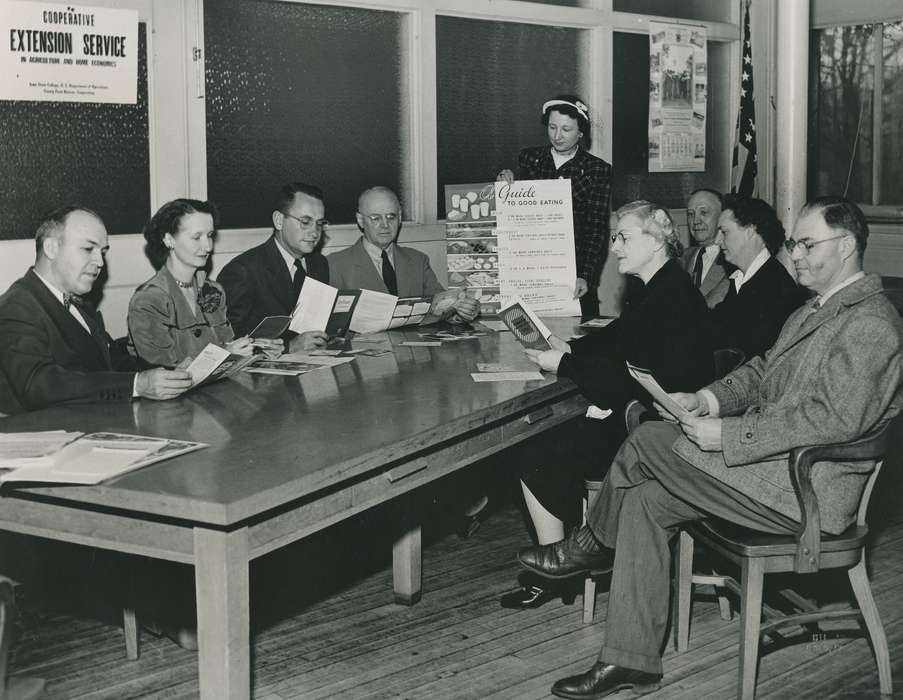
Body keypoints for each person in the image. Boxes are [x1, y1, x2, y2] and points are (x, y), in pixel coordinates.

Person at [516, 197, 902, 700]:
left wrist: (728, 434)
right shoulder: (815, 309)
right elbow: (761, 371)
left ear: (847, 245)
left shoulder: (872, 324)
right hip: (771, 470)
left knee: (650, 438)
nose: (797, 256)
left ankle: (588, 546)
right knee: (644, 499)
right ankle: (630, 662)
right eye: (794, 245)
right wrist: (707, 398)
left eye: (808, 245)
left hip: (808, 495)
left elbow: (832, 421)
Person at [501, 201, 714, 610]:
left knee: (535, 446)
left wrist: (563, 362)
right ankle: (565, 557)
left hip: (655, 428)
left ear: (657, 239)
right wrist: (573, 346)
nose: (614, 247)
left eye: (623, 237)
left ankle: (557, 568)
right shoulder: (661, 285)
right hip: (646, 413)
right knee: (551, 436)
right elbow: (622, 338)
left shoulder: (667, 295)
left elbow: (627, 376)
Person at [0, 206, 193, 415]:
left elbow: (111, 362)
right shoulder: (17, 306)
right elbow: (38, 385)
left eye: (102, 252)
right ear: (51, 248)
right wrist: (137, 384)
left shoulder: (77, 301)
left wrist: (168, 375)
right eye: (88, 249)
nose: (100, 262)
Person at [128, 199, 283, 368]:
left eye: (209, 236)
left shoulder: (213, 291)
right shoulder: (148, 301)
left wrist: (257, 350)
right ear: (169, 239)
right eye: (197, 237)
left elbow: (225, 344)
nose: (208, 246)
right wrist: (227, 355)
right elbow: (166, 373)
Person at [497, 94, 612, 320]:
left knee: (578, 341)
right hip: (530, 270)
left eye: (567, 130)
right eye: (552, 127)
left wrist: (585, 275)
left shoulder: (597, 170)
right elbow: (516, 213)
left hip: (573, 274)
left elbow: (596, 228)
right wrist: (505, 182)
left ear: (581, 133)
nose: (557, 136)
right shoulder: (530, 159)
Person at [328, 186, 479, 321]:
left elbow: (441, 307)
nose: (385, 225)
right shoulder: (335, 265)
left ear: (399, 218)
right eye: (375, 218)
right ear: (360, 220)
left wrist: (461, 311)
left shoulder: (418, 260)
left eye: (391, 217)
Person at [217, 181, 331, 349]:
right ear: (279, 220)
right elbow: (228, 342)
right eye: (305, 222)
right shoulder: (243, 271)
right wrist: (289, 347)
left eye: (319, 223)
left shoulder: (319, 264)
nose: (314, 232)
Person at [705, 194, 804, 360]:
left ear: (751, 231)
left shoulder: (776, 287)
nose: (717, 240)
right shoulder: (742, 279)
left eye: (724, 232)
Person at [681, 188, 731, 307]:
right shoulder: (680, 258)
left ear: (723, 216)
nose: (695, 221)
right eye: (691, 214)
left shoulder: (734, 262)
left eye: (704, 212)